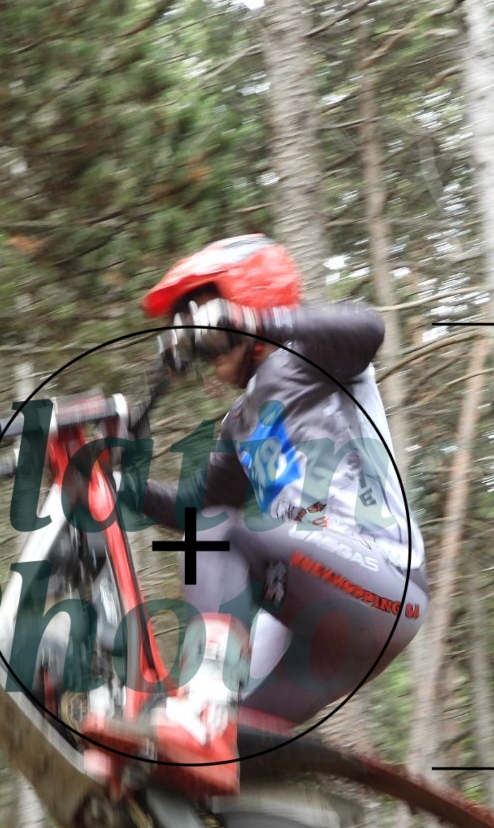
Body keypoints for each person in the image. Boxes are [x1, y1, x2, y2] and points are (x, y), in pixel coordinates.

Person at [135, 234, 428, 793]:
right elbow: (196, 507)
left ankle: (201, 701)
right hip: (320, 626)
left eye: (205, 328)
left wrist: (255, 321)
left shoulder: (315, 359)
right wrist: (122, 487)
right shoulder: (240, 422)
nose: (205, 354)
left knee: (222, 534)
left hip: (383, 579)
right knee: (218, 755)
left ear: (244, 301)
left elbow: (368, 327)